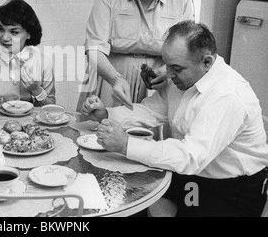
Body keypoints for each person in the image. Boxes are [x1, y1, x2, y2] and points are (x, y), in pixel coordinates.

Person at [82, 20, 268, 217]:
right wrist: (107, 114)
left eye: (177, 68)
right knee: (124, 199)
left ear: (207, 62)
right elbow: (149, 112)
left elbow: (190, 156)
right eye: (167, 65)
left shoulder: (226, 95)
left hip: (231, 190)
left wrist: (126, 144)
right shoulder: (184, 80)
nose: (168, 75)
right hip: (191, 178)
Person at [77, 0, 194, 112]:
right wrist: (116, 79)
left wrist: (165, 71)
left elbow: (187, 50)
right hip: (111, 79)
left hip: (158, 86)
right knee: (100, 131)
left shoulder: (181, 0)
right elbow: (94, 50)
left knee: (152, 136)